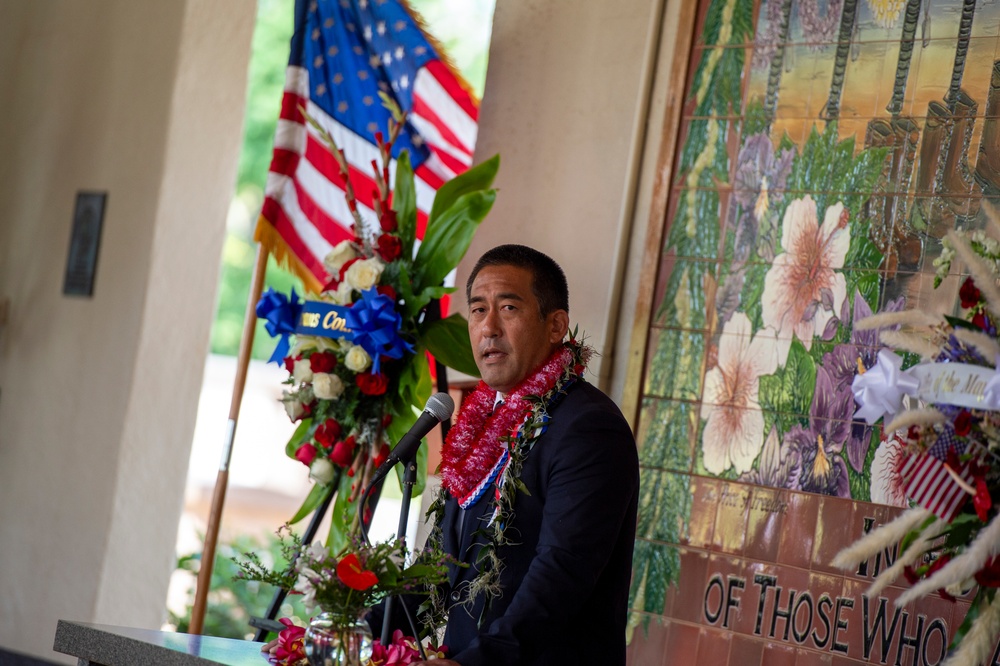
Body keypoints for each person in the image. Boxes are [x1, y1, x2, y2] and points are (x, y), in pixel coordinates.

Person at [404, 244, 640, 665]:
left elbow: (561, 575)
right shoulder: (483, 424)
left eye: (508, 307)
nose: (488, 327)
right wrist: (361, 632)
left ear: (556, 326)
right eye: (477, 310)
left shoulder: (588, 427)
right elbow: (439, 568)